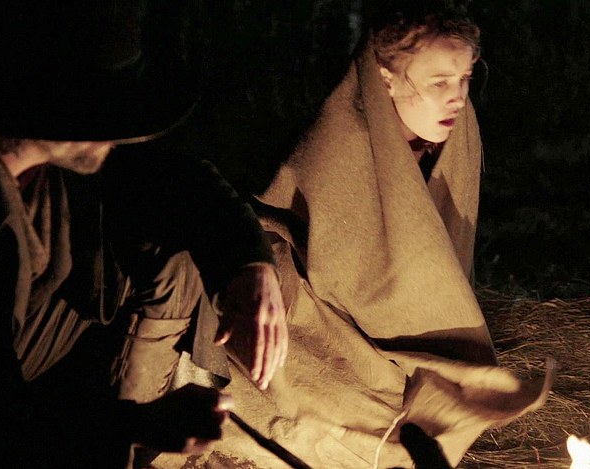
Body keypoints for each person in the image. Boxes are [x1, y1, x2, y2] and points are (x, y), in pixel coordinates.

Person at [0, 2, 287, 467]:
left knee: (175, 253)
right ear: (52, 106)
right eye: (109, 111)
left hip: (20, 337)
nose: (123, 133)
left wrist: (252, 266)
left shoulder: (46, 155)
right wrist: (139, 423)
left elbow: (175, 179)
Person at [154, 2, 552, 468]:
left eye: (464, 79)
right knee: (363, 412)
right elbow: (300, 246)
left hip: (388, 339)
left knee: (423, 408)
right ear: (386, 78)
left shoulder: (454, 138)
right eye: (439, 83)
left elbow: (435, 270)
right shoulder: (344, 143)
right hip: (316, 316)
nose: (458, 97)